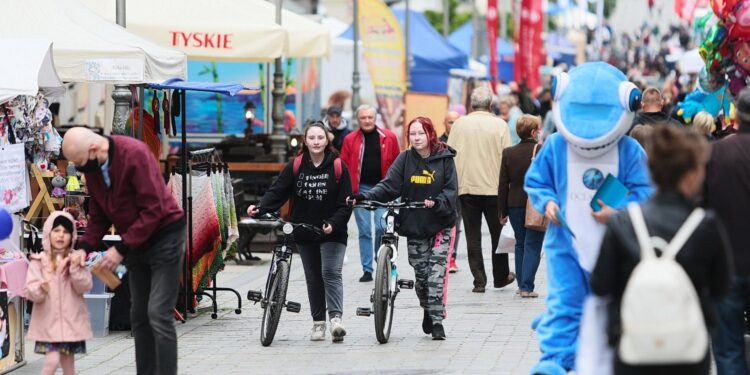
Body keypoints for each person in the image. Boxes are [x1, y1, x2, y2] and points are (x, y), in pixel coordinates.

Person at [525, 63, 653, 375]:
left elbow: (646, 190)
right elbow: (537, 181)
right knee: (564, 304)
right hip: (566, 245)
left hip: (616, 247)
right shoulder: (556, 146)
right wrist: (549, 203)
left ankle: (612, 359)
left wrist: (618, 211)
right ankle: (556, 360)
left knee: (613, 306)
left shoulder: (629, 150)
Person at [592, 125, 731, 375]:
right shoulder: (705, 226)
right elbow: (722, 288)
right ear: (690, 175)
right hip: (687, 349)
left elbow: (600, 284)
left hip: (633, 345)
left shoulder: (622, 223)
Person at [62, 127, 185, 375]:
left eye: (80, 162)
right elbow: (98, 217)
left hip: (165, 236)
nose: (79, 169)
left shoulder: (134, 154)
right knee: (138, 316)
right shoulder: (95, 169)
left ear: (95, 150)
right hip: (135, 241)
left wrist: (120, 248)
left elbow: (153, 210)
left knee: (158, 313)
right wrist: (83, 249)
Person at [350, 116, 458, 340]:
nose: (417, 138)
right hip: (415, 223)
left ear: (430, 134)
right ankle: (428, 309)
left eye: (421, 133)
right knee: (421, 276)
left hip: (441, 223)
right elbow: (390, 185)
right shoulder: (405, 159)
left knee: (436, 275)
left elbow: (451, 190)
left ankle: (437, 322)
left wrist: (437, 202)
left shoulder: (445, 158)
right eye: (413, 134)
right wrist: (366, 196)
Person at [247, 122, 353, 342]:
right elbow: (278, 190)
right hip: (303, 229)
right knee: (313, 279)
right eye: (312, 138)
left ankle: (336, 320)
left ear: (327, 140)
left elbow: (346, 203)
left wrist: (334, 223)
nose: (316, 142)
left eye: (320, 138)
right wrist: (261, 207)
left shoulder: (338, 166)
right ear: (305, 141)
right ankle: (318, 323)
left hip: (332, 231)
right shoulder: (296, 166)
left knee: (331, 273)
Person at [448, 86, 514, 293]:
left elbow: (450, 155)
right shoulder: (500, 125)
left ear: (471, 104)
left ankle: (479, 281)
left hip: (466, 187)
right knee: (497, 235)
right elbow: (508, 158)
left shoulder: (459, 124)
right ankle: (500, 277)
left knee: (472, 236)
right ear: (490, 104)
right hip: (494, 188)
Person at [704, 88, 750, 375]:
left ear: (736, 118)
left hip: (727, 263)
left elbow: (700, 205)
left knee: (728, 348)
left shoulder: (718, 152)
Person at [25, 212, 92, 375]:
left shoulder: (76, 259)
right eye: (56, 231)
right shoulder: (38, 261)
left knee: (69, 367)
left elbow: (85, 286)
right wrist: (41, 288)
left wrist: (75, 269)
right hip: (48, 325)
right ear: (48, 233)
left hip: (70, 325)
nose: (61, 235)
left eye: (66, 232)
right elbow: (29, 291)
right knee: (52, 361)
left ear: (72, 236)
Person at [340, 105, 401, 282]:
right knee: (364, 230)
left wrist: (397, 190)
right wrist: (347, 192)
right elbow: (343, 166)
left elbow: (398, 164)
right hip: (360, 190)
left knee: (381, 227)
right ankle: (367, 269)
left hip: (383, 189)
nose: (367, 121)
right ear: (358, 120)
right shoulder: (350, 139)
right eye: (363, 118)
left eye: (370, 117)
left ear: (375, 119)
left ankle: (379, 259)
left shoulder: (389, 137)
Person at [499, 115, 544, 298]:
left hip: (514, 203)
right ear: (533, 132)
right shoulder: (540, 150)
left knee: (520, 243)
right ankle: (527, 287)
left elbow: (502, 184)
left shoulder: (508, 152)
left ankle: (521, 285)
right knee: (533, 245)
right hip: (535, 203)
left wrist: (502, 211)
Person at [439, 110, 461, 273]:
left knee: (456, 223)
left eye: (456, 122)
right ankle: (441, 255)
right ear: (444, 123)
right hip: (441, 189)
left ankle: (452, 257)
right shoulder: (439, 144)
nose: (453, 125)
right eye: (450, 122)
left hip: (459, 187)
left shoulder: (464, 142)